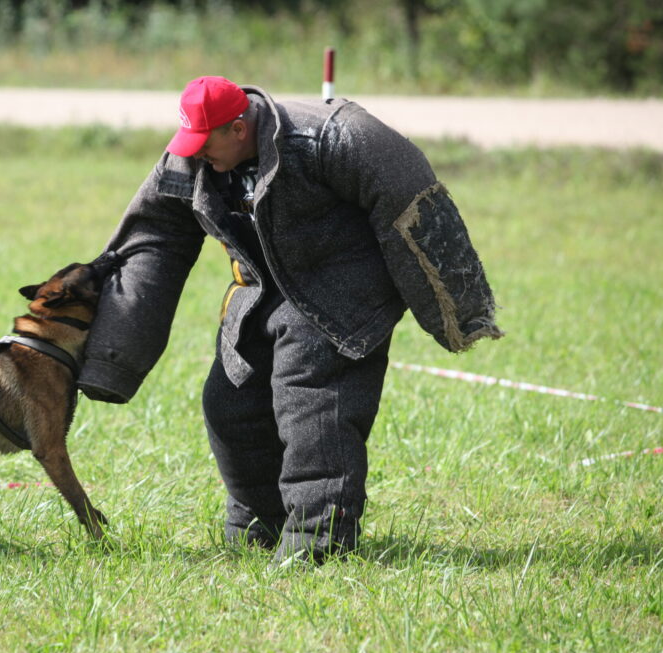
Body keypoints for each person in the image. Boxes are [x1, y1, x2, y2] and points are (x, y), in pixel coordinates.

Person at [77, 76, 501, 564]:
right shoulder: (194, 156)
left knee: (310, 403)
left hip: (340, 285)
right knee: (228, 404)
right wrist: (113, 358)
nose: (194, 155)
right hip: (261, 286)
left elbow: (407, 191)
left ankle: (317, 544)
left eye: (204, 143)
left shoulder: (327, 136)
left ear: (239, 129)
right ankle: (260, 527)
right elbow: (152, 237)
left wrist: (459, 310)